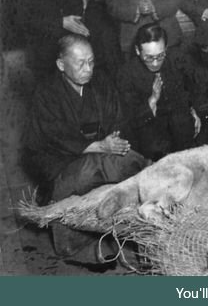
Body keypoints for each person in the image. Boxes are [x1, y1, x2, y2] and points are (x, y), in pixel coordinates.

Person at [26, 34, 147, 260]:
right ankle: (78, 242)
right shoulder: (46, 92)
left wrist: (114, 139)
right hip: (64, 163)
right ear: (61, 65)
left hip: (103, 154)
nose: (88, 69)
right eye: (80, 63)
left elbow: (118, 117)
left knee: (132, 162)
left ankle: (136, 230)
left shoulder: (101, 82)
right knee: (88, 172)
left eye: (91, 61)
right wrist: (97, 146)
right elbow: (51, 136)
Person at [117, 23, 200, 160]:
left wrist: (193, 109)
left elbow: (191, 87)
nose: (155, 63)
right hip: (148, 128)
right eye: (149, 57)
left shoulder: (176, 60)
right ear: (138, 51)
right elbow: (129, 119)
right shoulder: (126, 74)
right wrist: (153, 100)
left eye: (160, 56)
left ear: (166, 49)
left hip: (178, 123)